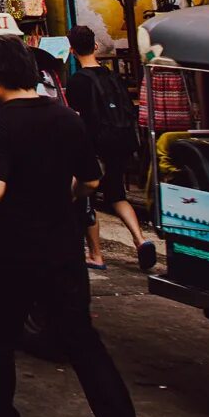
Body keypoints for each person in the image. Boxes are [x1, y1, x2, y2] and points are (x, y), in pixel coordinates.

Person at [0, 37, 148, 417]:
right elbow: (91, 181)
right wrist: (59, 194)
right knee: (84, 344)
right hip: (63, 251)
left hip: (10, 253)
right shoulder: (68, 119)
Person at [65, 26, 156, 272]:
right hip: (119, 143)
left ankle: (96, 255)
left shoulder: (76, 82)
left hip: (93, 147)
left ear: (72, 51)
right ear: (95, 46)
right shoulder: (112, 76)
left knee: (86, 200)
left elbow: (75, 117)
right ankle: (140, 239)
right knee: (117, 195)